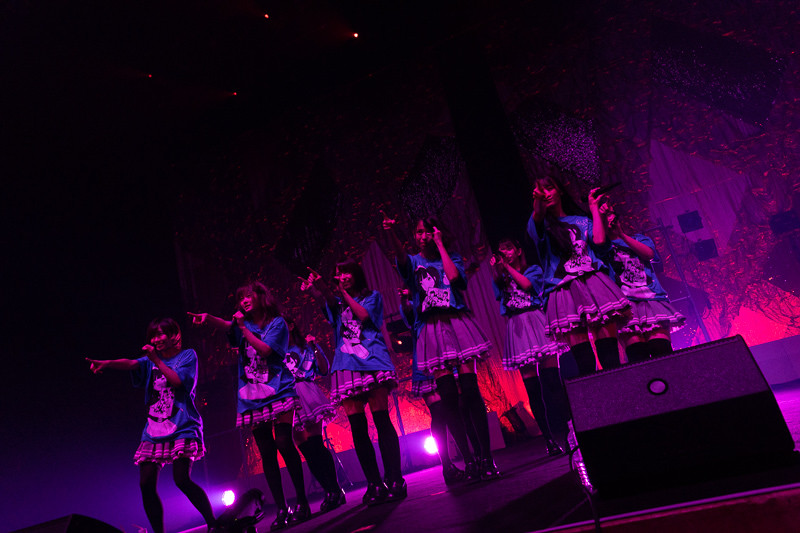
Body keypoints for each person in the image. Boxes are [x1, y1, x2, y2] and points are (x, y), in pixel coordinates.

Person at [383, 213, 500, 481]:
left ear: (438, 232)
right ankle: (469, 461)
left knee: (470, 391)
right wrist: (392, 233)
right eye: (419, 232)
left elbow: (456, 279)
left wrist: (440, 244)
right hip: (431, 329)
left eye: (428, 231)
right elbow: (401, 259)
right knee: (448, 398)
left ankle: (486, 457)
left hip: (456, 322)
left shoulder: (452, 256)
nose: (423, 236)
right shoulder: (413, 262)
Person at [188, 282, 309, 530]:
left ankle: (302, 502)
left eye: (248, 295)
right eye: (240, 298)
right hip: (252, 396)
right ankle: (282, 508)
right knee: (266, 452)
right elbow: (227, 326)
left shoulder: (277, 323)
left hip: (278, 389)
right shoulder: (243, 326)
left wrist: (243, 327)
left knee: (284, 442)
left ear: (261, 296)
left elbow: (265, 350)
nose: (243, 300)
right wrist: (209, 318)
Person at [86, 318, 216, 533]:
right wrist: (107, 363)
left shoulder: (187, 356)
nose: (156, 339)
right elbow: (131, 363)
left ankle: (213, 523)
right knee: (146, 483)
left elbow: (177, 381)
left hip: (182, 426)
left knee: (182, 479)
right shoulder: (149, 361)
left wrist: (156, 360)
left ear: (174, 335)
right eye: (153, 336)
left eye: (160, 334)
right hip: (154, 429)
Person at [300, 259, 406, 505]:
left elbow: (364, 316)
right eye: (338, 273)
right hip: (346, 365)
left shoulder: (372, 297)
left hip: (372, 360)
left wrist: (342, 294)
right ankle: (374, 483)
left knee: (381, 420)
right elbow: (327, 302)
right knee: (358, 427)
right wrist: (318, 290)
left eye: (346, 272)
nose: (343, 276)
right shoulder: (337, 304)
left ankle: (395, 478)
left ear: (356, 274)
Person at [490, 237, 569, 456]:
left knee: (553, 382)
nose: (504, 252)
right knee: (533, 390)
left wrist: (506, 267)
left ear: (518, 251)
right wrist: (497, 271)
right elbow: (499, 296)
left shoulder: (532, 269)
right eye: (501, 250)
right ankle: (549, 439)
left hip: (536, 321)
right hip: (517, 327)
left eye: (508, 248)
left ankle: (569, 431)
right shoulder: (500, 277)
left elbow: (527, 285)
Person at [599, 201, 685, 362]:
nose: (609, 220)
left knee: (661, 350)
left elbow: (649, 255)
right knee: (638, 355)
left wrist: (621, 235)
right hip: (625, 305)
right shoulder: (602, 248)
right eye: (604, 217)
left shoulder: (639, 239)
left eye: (611, 215)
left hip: (651, 300)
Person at [398, 286, 466, 484]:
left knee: (454, 409)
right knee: (438, 413)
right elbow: (409, 317)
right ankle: (447, 466)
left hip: (445, 353)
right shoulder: (414, 305)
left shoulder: (438, 294)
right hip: (426, 359)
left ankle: (470, 459)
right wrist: (405, 300)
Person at [284, 318, 346, 512]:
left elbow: (324, 370)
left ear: (291, 326)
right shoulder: (275, 349)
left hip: (307, 392)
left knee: (316, 445)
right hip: (287, 398)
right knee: (307, 451)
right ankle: (330, 491)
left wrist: (316, 347)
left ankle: (335, 489)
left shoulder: (305, 346)